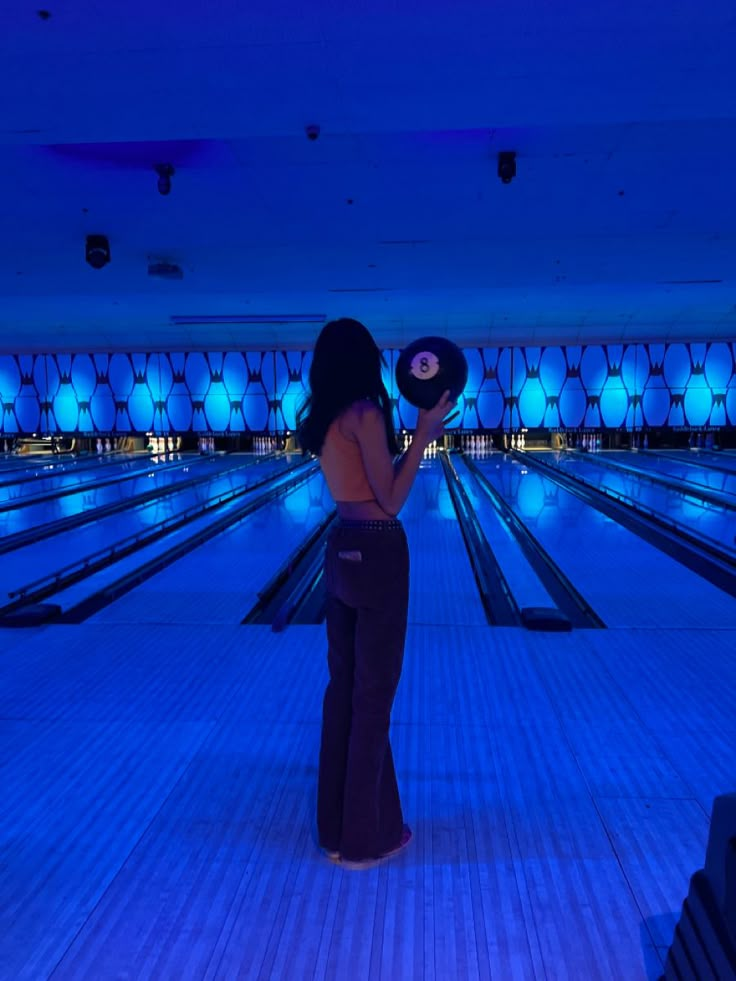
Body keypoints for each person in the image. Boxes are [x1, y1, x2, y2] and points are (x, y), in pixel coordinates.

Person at [297, 318, 455, 870]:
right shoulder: (366, 413)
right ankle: (364, 841)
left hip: (339, 548)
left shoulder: (324, 418)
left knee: (343, 692)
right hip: (379, 550)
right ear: (366, 361)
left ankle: (336, 830)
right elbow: (390, 500)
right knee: (373, 699)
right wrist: (421, 438)